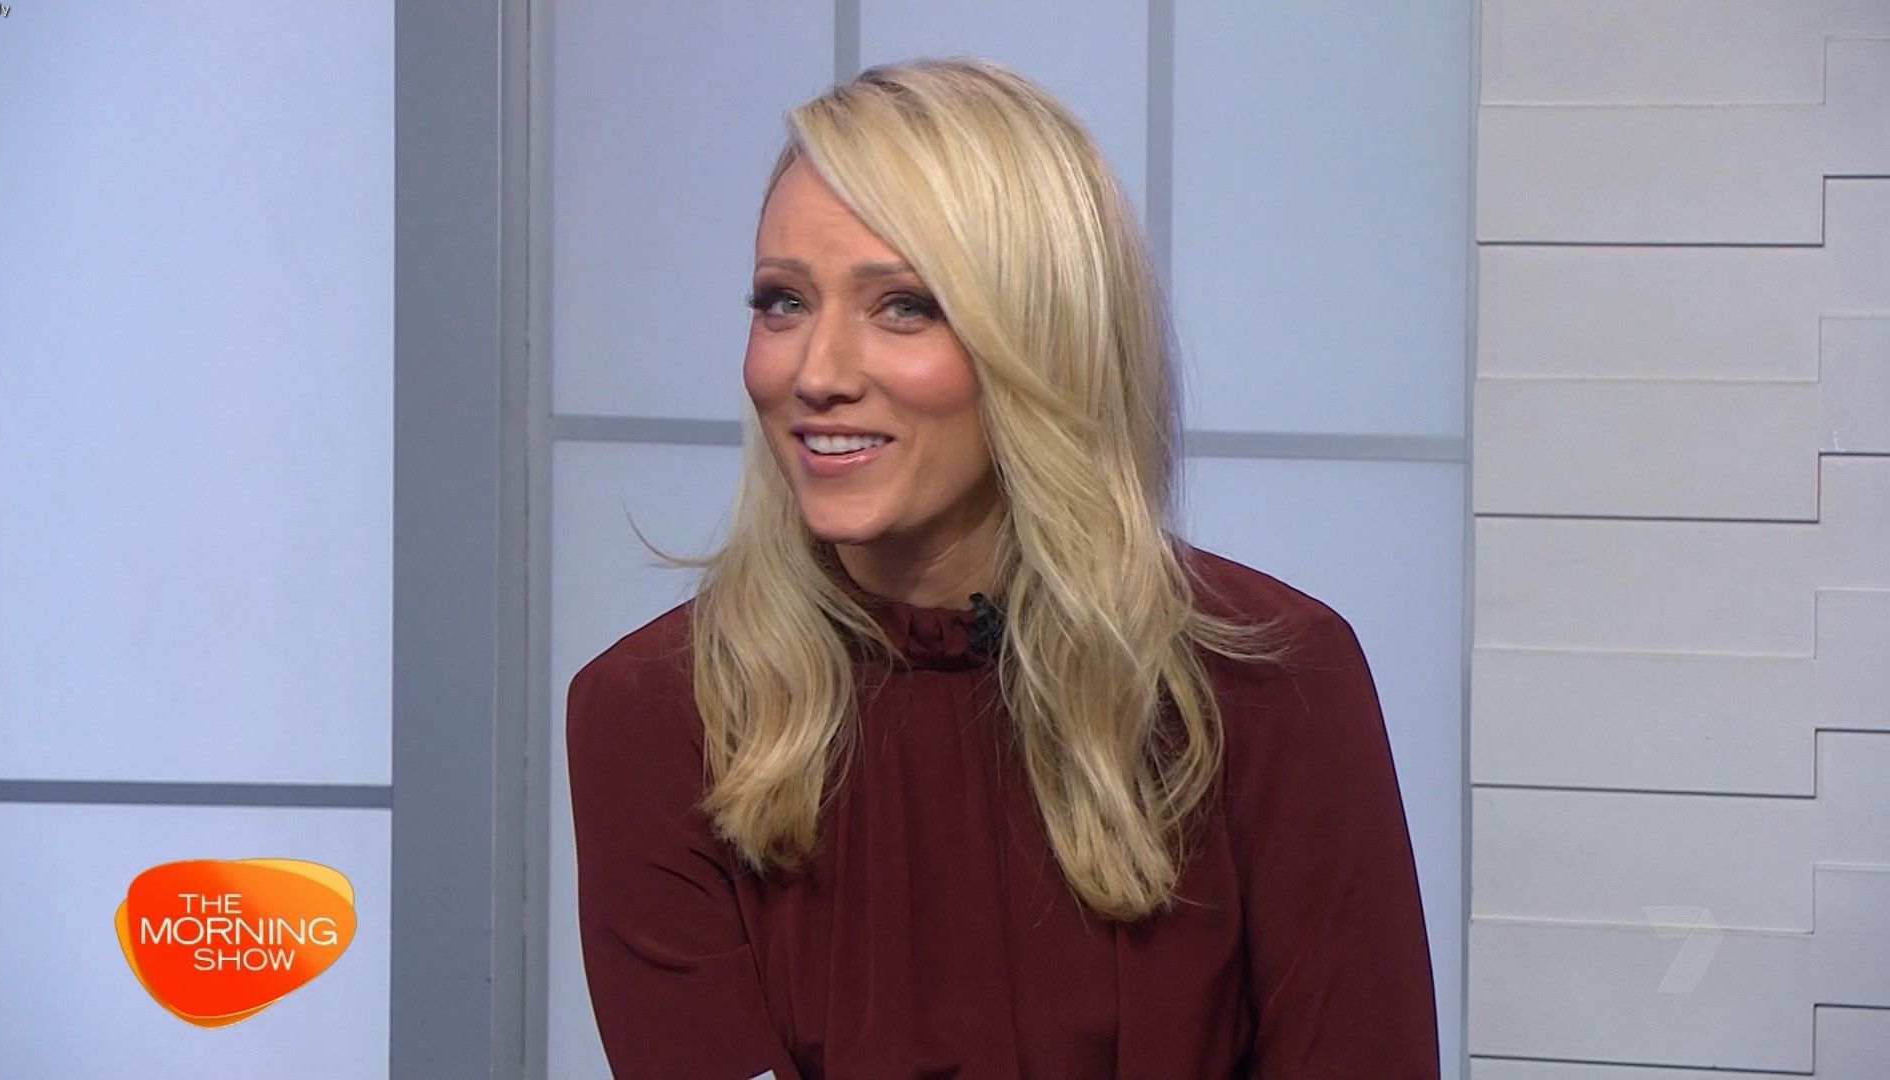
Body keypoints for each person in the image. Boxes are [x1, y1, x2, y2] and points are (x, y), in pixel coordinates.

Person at [566, 57, 1440, 1079]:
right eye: (782, 302)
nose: (815, 373)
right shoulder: (653, 714)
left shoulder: (1274, 680)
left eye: (904, 306)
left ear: (1043, 338)